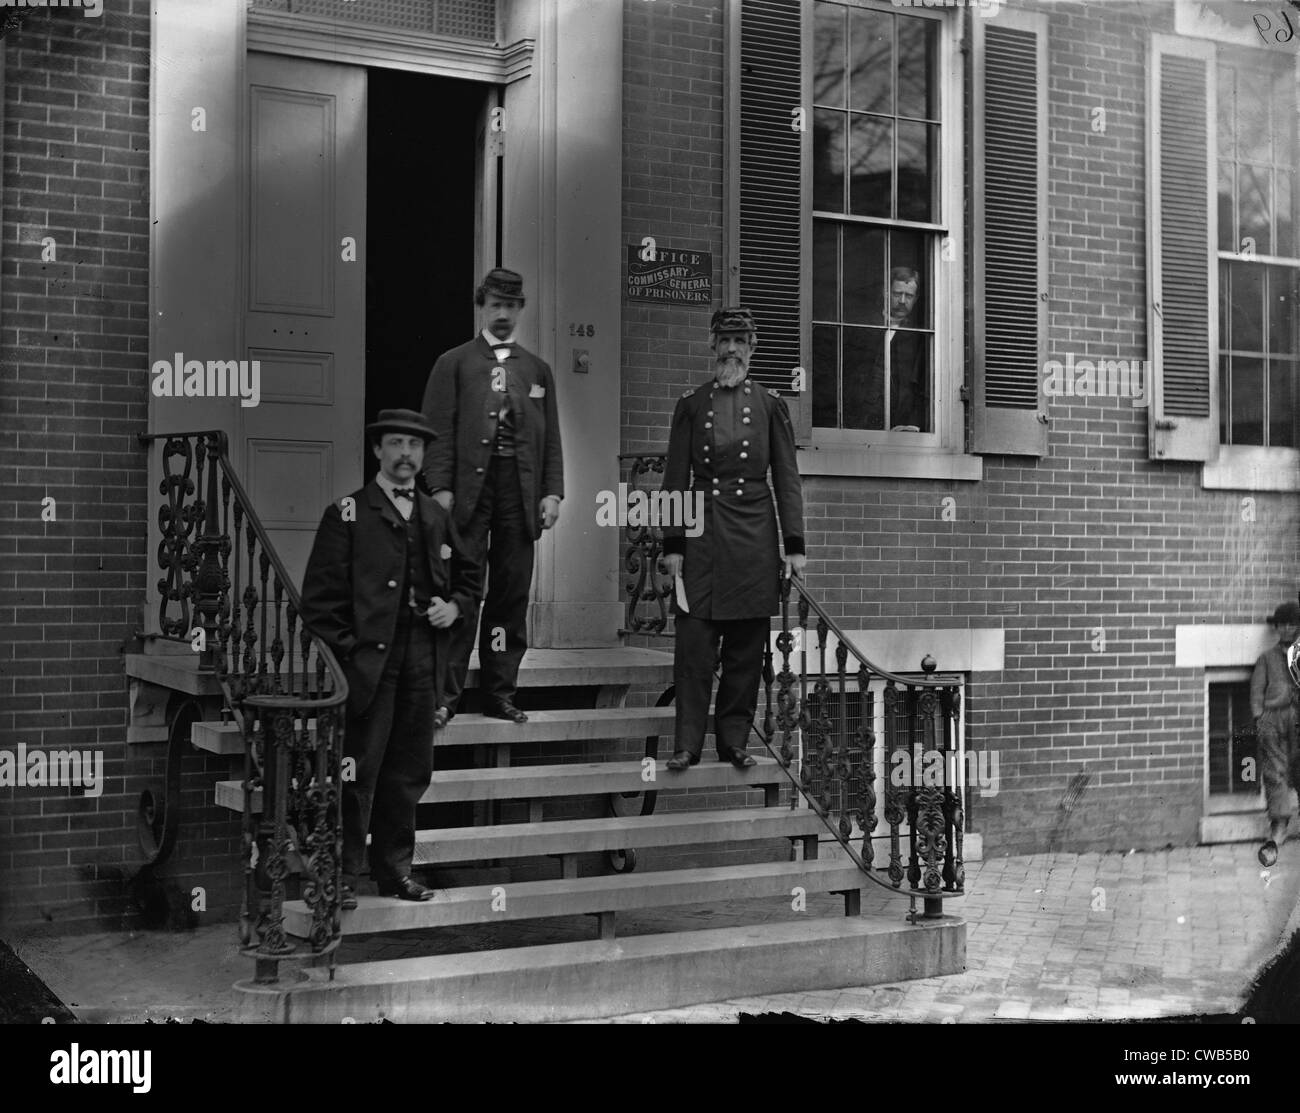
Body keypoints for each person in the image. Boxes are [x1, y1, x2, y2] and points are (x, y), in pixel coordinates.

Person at [299, 409, 482, 907]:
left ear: (423, 456)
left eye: (415, 446)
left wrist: (455, 605)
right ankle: (340, 876)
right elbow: (317, 604)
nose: (405, 455)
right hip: (369, 669)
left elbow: (470, 580)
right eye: (396, 443)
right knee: (356, 771)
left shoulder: (435, 515)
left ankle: (395, 873)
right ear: (377, 450)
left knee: (408, 772)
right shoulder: (347, 513)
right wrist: (352, 652)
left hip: (423, 661)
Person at [660, 306, 807, 771]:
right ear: (711, 345)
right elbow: (674, 480)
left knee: (746, 648)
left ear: (752, 348)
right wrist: (672, 544)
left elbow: (786, 477)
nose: (731, 349)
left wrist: (794, 547)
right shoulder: (691, 404)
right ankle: (686, 744)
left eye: (740, 341)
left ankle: (734, 740)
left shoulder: (769, 405)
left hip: (753, 537)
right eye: (724, 340)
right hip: (701, 536)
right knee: (694, 646)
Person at [421, 268, 564, 725]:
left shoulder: (536, 370)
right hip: (467, 496)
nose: (502, 314)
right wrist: (440, 489)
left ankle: (499, 692)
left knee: (510, 595)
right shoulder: (454, 363)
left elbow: (551, 439)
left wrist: (552, 493)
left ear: (521, 309)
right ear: (482, 306)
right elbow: (437, 431)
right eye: (494, 305)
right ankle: (446, 696)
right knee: (462, 592)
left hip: (518, 498)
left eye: (511, 305)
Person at [841, 265, 928, 432]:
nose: (902, 301)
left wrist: (913, 423)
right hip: (854, 424)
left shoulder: (921, 337)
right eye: (897, 294)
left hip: (898, 427)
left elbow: (923, 387)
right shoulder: (859, 327)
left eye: (908, 296)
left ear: (916, 299)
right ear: (885, 292)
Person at [1254, 601, 1300, 866]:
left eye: (1292, 624)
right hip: (1274, 720)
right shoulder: (1266, 658)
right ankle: (1279, 829)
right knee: (1275, 772)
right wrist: (1260, 718)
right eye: (1281, 624)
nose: (1286, 629)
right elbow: (1256, 692)